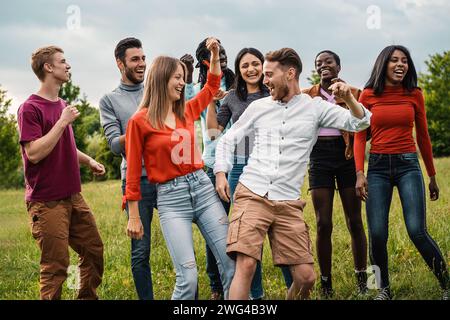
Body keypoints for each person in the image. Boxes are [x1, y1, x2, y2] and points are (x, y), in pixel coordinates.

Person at [214, 48, 371, 300]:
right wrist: (221, 172)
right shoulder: (258, 108)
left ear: (290, 73)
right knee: (246, 265)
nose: (264, 81)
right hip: (253, 192)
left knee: (306, 278)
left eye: (268, 74)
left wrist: (350, 99)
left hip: (287, 201)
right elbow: (226, 140)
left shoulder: (315, 108)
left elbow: (360, 122)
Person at [124, 37, 235, 300]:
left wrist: (216, 53)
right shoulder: (138, 122)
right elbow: (131, 175)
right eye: (177, 77)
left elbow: (212, 84)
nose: (182, 82)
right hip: (172, 201)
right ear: (161, 79)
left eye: (183, 77)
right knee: (188, 278)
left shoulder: (186, 110)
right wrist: (134, 216)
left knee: (231, 264)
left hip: (203, 189)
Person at [354, 45, 449, 300]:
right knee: (376, 232)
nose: (400, 65)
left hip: (408, 165)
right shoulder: (367, 95)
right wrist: (359, 172)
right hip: (377, 169)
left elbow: (424, 135)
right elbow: (360, 136)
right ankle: (382, 290)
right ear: (383, 64)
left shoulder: (414, 94)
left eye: (404, 61)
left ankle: (446, 285)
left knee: (417, 230)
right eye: (394, 60)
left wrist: (431, 176)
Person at [17, 46, 105, 300]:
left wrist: (89, 161)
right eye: (63, 62)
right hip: (46, 202)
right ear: (48, 67)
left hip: (73, 196)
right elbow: (33, 152)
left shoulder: (62, 105)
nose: (68, 66)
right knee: (55, 268)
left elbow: (65, 146)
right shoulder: (29, 108)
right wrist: (62, 121)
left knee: (93, 251)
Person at [205, 47, 271, 299]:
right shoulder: (232, 97)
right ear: (239, 70)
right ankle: (256, 295)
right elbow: (213, 132)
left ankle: (293, 289)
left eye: (256, 64)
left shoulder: (271, 93)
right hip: (239, 169)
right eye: (245, 65)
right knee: (246, 237)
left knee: (274, 230)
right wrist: (212, 101)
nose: (251, 69)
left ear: (263, 66)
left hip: (267, 168)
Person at [301, 50, 368, 297]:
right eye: (318, 63)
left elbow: (363, 127)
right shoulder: (308, 94)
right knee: (323, 223)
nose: (323, 66)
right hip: (319, 158)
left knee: (354, 221)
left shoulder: (352, 92)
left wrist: (361, 169)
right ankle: (326, 283)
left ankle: (362, 278)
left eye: (328, 62)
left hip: (347, 156)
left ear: (338, 66)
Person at [99, 37, 157, 300]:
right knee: (141, 251)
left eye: (144, 58)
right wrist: (140, 128)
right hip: (137, 182)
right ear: (120, 63)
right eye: (135, 59)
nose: (141, 64)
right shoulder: (109, 100)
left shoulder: (156, 91)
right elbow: (114, 144)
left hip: (168, 178)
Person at [182, 38, 235, 300]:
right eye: (216, 53)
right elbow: (188, 109)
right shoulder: (198, 89)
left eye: (224, 52)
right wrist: (189, 75)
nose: (222, 56)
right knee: (217, 228)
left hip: (243, 163)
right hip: (214, 163)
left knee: (242, 227)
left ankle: (243, 285)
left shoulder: (237, 84)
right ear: (207, 59)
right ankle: (216, 286)